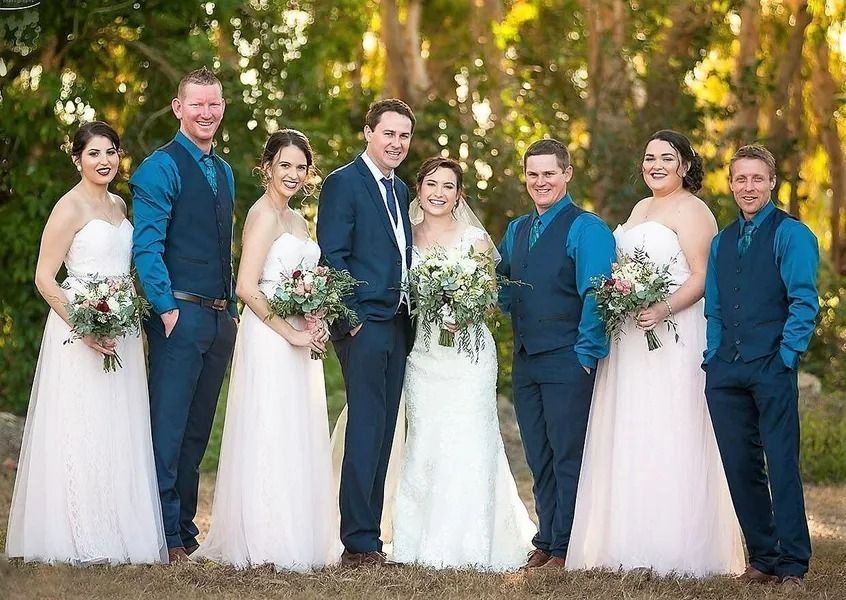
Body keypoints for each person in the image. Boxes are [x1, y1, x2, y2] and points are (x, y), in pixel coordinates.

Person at [566, 130, 744, 576]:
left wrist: (662, 307)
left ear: (684, 165)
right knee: (632, 426)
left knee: (671, 427)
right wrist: (623, 299)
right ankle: (626, 541)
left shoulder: (694, 210)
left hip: (675, 336)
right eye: (649, 157)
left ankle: (675, 547)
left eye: (667, 157)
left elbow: (704, 277)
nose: (656, 165)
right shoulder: (641, 209)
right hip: (631, 337)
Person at [6, 122, 166, 565]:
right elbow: (44, 277)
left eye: (111, 152)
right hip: (78, 327)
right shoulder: (68, 207)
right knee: (81, 424)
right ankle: (77, 533)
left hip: (122, 325)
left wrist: (121, 313)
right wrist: (86, 324)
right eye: (94, 153)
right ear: (77, 159)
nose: (105, 161)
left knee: (119, 425)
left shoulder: (119, 204)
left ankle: (118, 528)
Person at [194, 130, 340, 571]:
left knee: (296, 428)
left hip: (298, 335)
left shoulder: (297, 219)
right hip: (270, 337)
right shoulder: (262, 215)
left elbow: (306, 281)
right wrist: (291, 333)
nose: (293, 174)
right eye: (285, 166)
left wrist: (316, 320)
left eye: (301, 167)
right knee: (270, 427)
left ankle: (298, 532)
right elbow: (245, 287)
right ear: (268, 167)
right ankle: (265, 539)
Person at [390, 157, 536, 571]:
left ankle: (474, 542)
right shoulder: (405, 238)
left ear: (459, 194)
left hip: (469, 355)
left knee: (472, 439)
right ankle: (418, 542)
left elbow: (490, 297)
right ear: (418, 188)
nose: (438, 192)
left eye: (448, 186)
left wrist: (463, 309)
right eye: (431, 183)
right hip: (425, 354)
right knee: (426, 442)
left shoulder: (473, 238)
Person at [131, 67, 238, 563]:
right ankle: (164, 531)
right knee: (168, 427)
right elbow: (146, 247)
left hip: (218, 319)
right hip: (180, 314)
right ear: (178, 108)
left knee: (197, 430)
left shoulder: (226, 171)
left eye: (213, 103)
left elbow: (224, 248)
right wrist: (166, 309)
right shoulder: (160, 167)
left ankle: (185, 527)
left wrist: (231, 311)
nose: (206, 112)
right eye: (196, 103)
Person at [497, 138, 616, 570]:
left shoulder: (587, 229)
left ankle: (567, 544)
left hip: (570, 357)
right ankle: (546, 538)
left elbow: (598, 295)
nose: (540, 181)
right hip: (527, 358)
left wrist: (587, 352)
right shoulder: (516, 230)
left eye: (549, 173)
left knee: (569, 452)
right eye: (533, 174)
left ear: (567, 174)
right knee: (538, 453)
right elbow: (501, 285)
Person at [704, 144, 819, 588]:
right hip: (725, 369)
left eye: (756, 179)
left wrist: (786, 356)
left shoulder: (792, 234)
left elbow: (803, 301)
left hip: (771, 365)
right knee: (739, 464)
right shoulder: (722, 241)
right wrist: (713, 357)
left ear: (771, 182)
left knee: (782, 463)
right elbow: (714, 305)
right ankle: (764, 557)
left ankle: (793, 562)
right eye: (740, 179)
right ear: (731, 184)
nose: (747, 187)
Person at [317, 98, 415, 567]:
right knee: (365, 428)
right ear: (368, 133)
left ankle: (370, 537)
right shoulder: (343, 183)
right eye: (389, 133)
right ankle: (357, 542)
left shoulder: (399, 191)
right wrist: (351, 319)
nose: (396, 143)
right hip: (364, 323)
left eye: (404, 136)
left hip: (398, 323)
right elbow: (333, 255)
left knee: (383, 431)